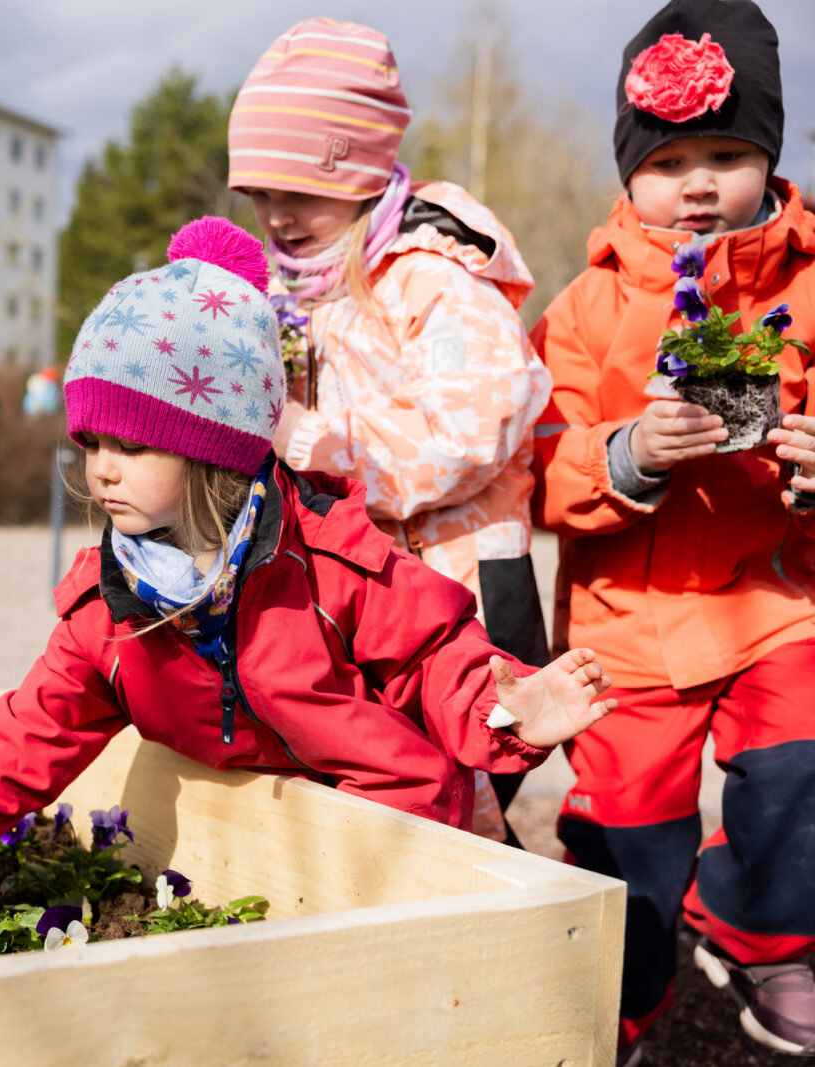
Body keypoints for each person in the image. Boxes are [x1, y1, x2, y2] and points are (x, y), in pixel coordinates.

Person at [0, 217, 617, 890]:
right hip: (259, 856)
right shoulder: (110, 610)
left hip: (395, 842)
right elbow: (21, 735)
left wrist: (508, 708)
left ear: (214, 451)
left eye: (134, 443)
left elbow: (434, 653)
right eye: (94, 441)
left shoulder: (329, 559)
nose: (102, 466)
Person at [531, 1, 815, 1057]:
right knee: (627, 830)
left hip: (774, 599)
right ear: (628, 176)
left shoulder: (809, 284)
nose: (697, 182)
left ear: (770, 156)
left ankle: (760, 933)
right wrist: (629, 453)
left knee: (800, 770)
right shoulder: (584, 309)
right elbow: (533, 468)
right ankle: (619, 997)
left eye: (728, 153)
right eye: (669, 161)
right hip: (625, 623)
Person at [226, 18, 555, 843]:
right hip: (368, 587)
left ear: (363, 171)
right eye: (261, 194)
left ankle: (512, 952)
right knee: (392, 786)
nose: (278, 215)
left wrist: (322, 444)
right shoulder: (300, 291)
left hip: (458, 586)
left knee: (460, 788)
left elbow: (479, 420)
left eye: (298, 191)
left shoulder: (433, 281)